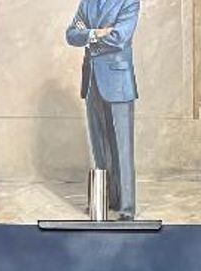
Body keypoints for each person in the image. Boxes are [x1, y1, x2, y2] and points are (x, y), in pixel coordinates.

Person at [65, 0, 139, 220]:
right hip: (91, 83)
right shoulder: (87, 3)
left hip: (119, 83)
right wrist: (98, 32)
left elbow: (119, 38)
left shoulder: (129, 2)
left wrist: (87, 35)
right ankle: (106, 199)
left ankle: (126, 208)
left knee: (122, 150)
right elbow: (70, 35)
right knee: (100, 147)